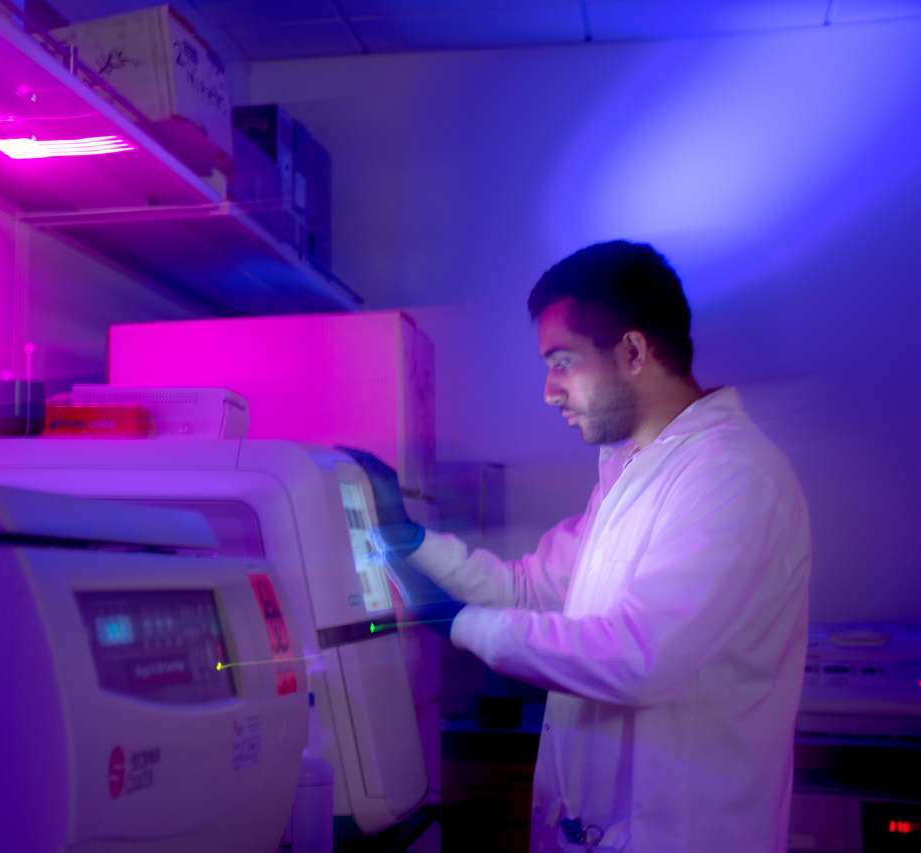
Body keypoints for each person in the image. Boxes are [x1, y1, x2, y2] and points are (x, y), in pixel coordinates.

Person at [347, 241, 811, 852]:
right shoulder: (634, 473)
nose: (549, 391)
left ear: (634, 352)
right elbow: (527, 589)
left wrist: (456, 622)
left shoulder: (729, 475)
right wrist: (408, 537)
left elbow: (638, 655)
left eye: (562, 362)